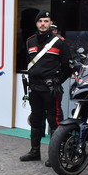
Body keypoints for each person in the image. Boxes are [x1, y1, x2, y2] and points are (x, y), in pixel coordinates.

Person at [19, 10, 72, 166]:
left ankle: (54, 155)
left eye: (46, 21)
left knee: (54, 122)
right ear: (36, 24)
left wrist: (57, 81)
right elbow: (29, 62)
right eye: (40, 21)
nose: (43, 24)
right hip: (34, 88)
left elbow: (68, 67)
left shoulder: (59, 42)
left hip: (51, 90)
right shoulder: (30, 41)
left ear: (50, 23)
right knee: (35, 120)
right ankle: (34, 152)